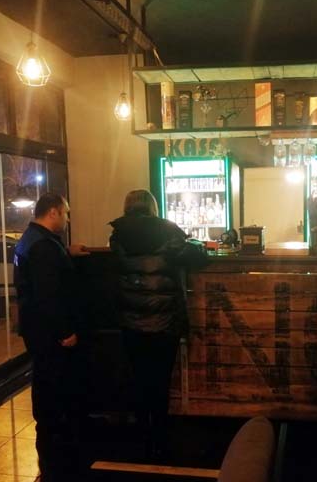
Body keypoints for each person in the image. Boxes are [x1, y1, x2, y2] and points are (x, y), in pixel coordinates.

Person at [108, 189, 207, 459]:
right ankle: (160, 438)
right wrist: (196, 244)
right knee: (160, 381)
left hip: (131, 321)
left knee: (139, 378)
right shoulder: (167, 230)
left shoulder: (118, 234)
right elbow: (197, 258)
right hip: (164, 321)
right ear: (153, 206)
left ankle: (142, 434)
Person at [13, 193, 90, 481]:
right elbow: (49, 295)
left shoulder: (31, 240)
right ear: (53, 212)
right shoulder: (43, 247)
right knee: (51, 384)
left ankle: (50, 431)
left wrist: (66, 252)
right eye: (66, 213)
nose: (67, 219)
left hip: (36, 329)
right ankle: (54, 448)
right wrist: (65, 331)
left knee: (45, 378)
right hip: (48, 333)